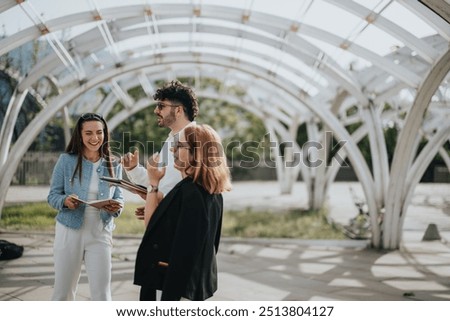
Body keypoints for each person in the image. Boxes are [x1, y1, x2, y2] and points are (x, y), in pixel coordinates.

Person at [134, 124, 232, 301]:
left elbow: (151, 227)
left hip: (170, 284)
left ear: (197, 153)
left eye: (180, 146)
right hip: (192, 285)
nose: (173, 149)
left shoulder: (189, 193)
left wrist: (153, 182)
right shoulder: (211, 192)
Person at [47, 113, 124, 301]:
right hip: (69, 231)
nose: (94, 138)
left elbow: (119, 197)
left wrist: (116, 208)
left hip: (100, 233)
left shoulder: (114, 162)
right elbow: (53, 196)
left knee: (102, 295)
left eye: (99, 132)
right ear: (80, 135)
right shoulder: (66, 160)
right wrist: (65, 201)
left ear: (105, 134)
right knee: (63, 293)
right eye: (88, 133)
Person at [122, 79, 199, 197]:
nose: (156, 110)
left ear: (178, 110)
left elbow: (190, 193)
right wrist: (133, 168)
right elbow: (162, 182)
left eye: (161, 106)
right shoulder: (173, 139)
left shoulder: (195, 139)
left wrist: (157, 206)